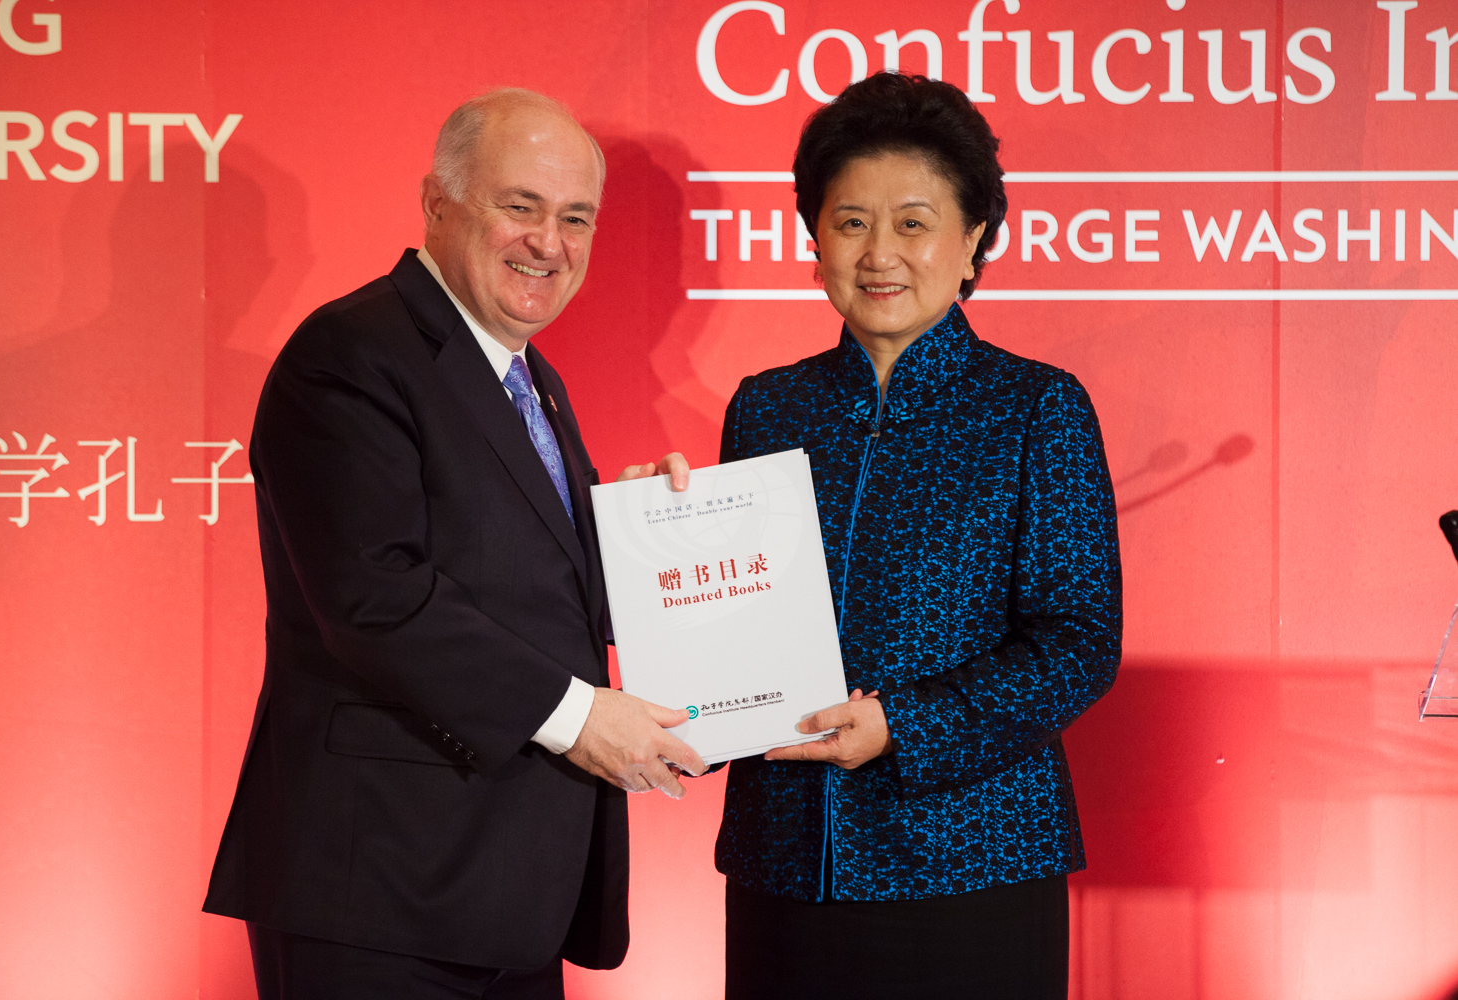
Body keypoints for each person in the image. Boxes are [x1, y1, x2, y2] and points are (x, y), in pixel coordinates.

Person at [202, 88, 706, 1000]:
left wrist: (627, 536)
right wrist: (584, 718)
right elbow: (375, 598)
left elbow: (512, 571)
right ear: (438, 203)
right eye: (520, 206)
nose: (549, 243)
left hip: (504, 888)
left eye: (575, 217)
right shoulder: (351, 354)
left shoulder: (526, 375)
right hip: (381, 891)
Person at [713, 73, 1123, 999]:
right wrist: (661, 541)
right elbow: (731, 626)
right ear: (812, 235)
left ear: (974, 238)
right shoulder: (766, 406)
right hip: (786, 858)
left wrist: (903, 725)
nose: (879, 253)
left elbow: (1079, 643)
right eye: (851, 221)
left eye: (913, 222)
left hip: (971, 860)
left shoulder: (1037, 408)